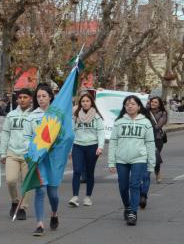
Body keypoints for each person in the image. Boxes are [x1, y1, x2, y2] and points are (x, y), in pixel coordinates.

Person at [108, 95, 155, 226]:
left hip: (139, 158)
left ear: (139, 106)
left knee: (134, 185)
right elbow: (113, 143)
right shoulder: (119, 122)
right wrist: (111, 162)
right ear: (124, 107)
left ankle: (133, 213)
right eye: (127, 104)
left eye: (133, 104)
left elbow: (150, 144)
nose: (130, 106)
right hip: (121, 159)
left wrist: (151, 164)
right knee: (123, 186)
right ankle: (127, 206)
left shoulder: (145, 123)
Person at [24, 84, 60, 236]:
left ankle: (54, 212)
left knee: (52, 193)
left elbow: (65, 137)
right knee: (40, 190)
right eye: (38, 96)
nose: (41, 99)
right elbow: (26, 137)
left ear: (50, 97)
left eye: (44, 96)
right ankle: (39, 223)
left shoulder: (58, 115)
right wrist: (31, 153)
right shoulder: (32, 116)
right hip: (38, 159)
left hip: (53, 159)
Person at [0, 88, 33, 219]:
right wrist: (3, 152)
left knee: (27, 183)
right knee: (10, 180)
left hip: (28, 154)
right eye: (20, 98)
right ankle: (15, 201)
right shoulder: (11, 115)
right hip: (12, 153)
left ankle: (23, 208)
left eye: (25, 97)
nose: (22, 100)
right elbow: (5, 133)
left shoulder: (35, 115)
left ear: (31, 98)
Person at [69, 93, 105, 207]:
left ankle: (88, 197)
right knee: (77, 171)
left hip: (92, 147)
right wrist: (70, 149)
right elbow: (71, 133)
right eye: (83, 101)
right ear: (80, 103)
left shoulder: (96, 116)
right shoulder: (75, 115)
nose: (85, 103)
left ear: (91, 102)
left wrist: (100, 147)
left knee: (89, 172)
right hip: (77, 146)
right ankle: (75, 197)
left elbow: (101, 132)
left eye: (87, 101)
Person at [145, 96, 167, 185]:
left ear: (159, 104)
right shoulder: (146, 111)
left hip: (157, 138)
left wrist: (146, 128)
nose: (153, 103)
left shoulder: (163, 113)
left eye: (155, 102)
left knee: (155, 157)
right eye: (152, 102)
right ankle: (145, 176)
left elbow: (158, 126)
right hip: (145, 138)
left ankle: (157, 172)